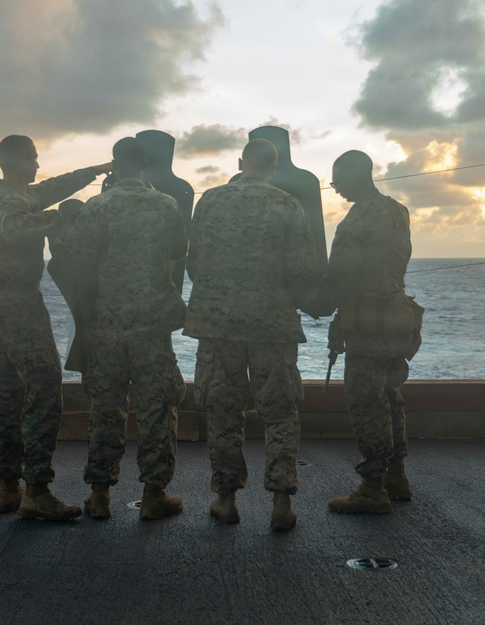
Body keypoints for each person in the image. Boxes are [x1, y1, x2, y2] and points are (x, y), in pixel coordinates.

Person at [184, 138, 322, 530]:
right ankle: (281, 503)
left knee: (223, 412)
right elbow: (303, 269)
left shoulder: (210, 201)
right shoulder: (286, 204)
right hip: (272, 326)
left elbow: (194, 263)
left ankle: (226, 500)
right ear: (273, 168)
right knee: (280, 413)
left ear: (240, 162)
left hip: (218, 326)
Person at [0, 135, 111, 521]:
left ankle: (9, 486)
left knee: (9, 396)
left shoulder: (22, 195)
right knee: (44, 388)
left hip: (3, 304)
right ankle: (36, 490)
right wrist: (60, 220)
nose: (38, 166)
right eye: (34, 159)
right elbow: (17, 227)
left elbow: (55, 186)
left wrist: (95, 171)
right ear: (18, 161)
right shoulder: (8, 201)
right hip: (20, 306)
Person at [59, 137, 187, 520]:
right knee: (156, 408)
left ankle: (99, 495)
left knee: (106, 409)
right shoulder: (167, 205)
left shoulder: (97, 207)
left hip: (107, 326)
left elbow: (76, 262)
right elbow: (178, 255)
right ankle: (153, 496)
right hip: (152, 326)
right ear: (145, 164)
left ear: (114, 165)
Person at [308, 150, 421, 515]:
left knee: (366, 401)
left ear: (357, 175)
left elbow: (342, 275)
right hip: (397, 320)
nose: (335, 187)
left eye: (338, 179)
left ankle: (373, 488)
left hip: (368, 323)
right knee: (390, 396)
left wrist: (316, 305)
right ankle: (396, 476)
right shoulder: (397, 211)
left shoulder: (358, 219)